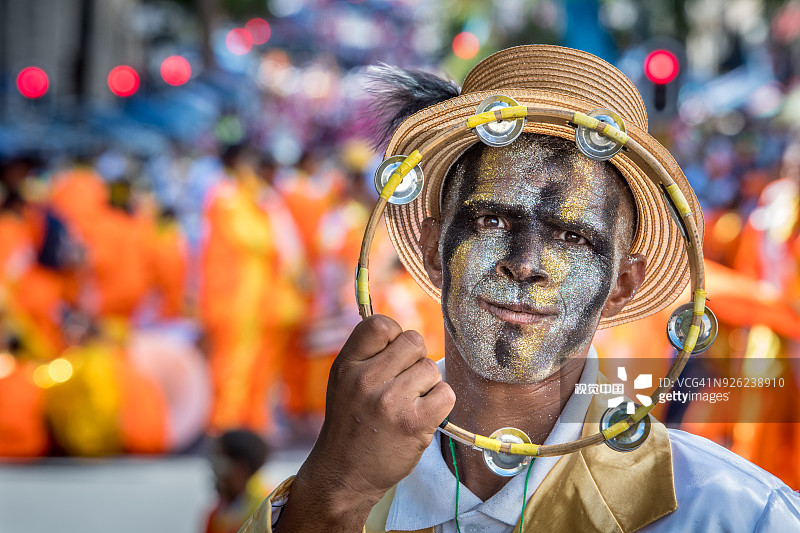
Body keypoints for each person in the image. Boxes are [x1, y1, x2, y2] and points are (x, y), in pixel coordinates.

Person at [240, 45, 800, 532]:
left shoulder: (735, 516)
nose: (525, 263)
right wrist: (332, 498)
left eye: (572, 235)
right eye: (491, 221)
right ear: (436, 250)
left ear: (623, 284)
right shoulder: (333, 491)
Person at [206, 429, 271, 533]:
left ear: (241, 469)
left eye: (220, 462)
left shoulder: (268, 511)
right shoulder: (218, 514)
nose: (214, 470)